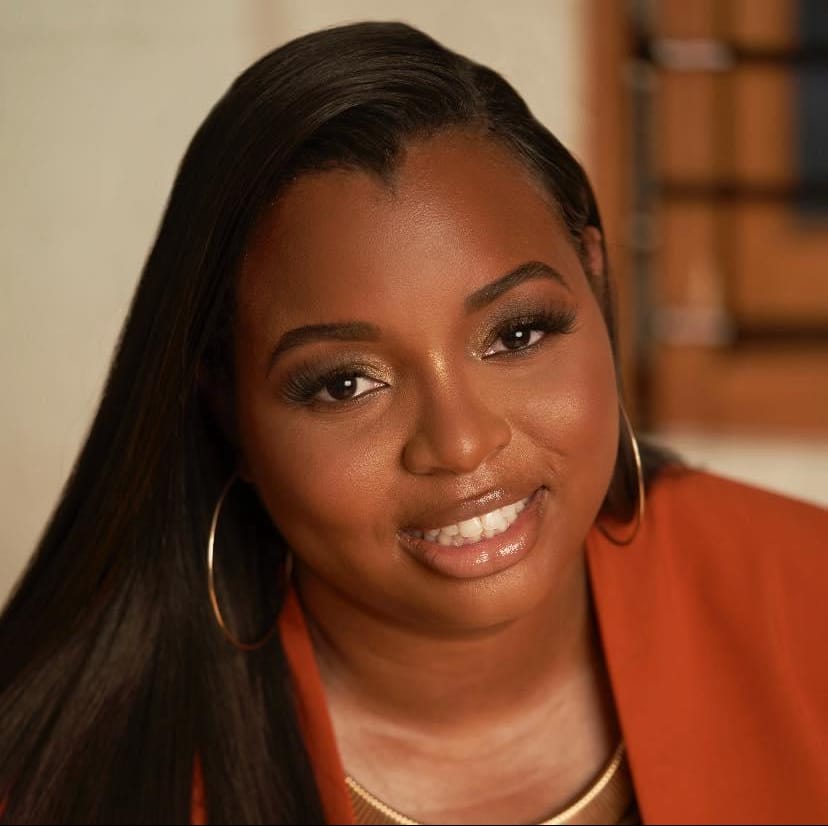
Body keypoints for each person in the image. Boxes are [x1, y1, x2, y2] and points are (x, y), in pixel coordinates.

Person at [1, 20, 826, 826]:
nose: (462, 443)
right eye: (346, 383)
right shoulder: (60, 782)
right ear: (228, 406)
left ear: (595, 279)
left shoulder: (806, 598)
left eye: (516, 334)